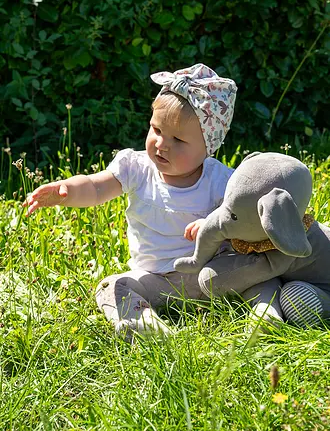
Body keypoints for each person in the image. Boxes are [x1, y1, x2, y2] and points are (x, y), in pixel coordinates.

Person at [25, 63, 265, 340]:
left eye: (178, 139)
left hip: (209, 273)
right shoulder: (135, 167)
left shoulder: (220, 179)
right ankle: (145, 323)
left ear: (208, 146)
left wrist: (214, 224)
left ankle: (265, 313)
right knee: (112, 286)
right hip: (153, 279)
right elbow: (95, 186)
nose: (162, 144)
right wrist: (66, 189)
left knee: (255, 270)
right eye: (157, 130)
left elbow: (243, 214)